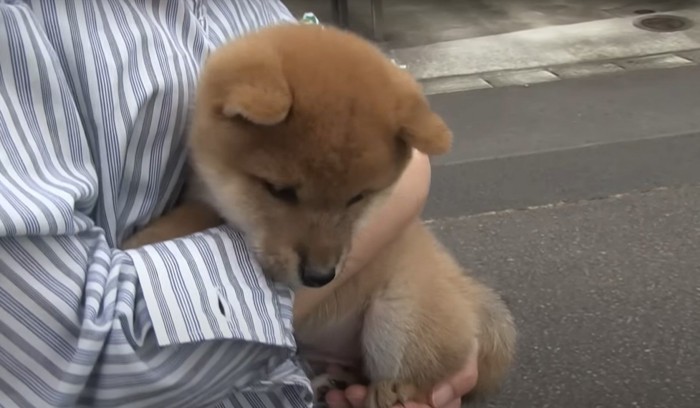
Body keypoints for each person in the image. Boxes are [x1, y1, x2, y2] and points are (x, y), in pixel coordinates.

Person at [0, 1, 477, 407]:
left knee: (402, 336)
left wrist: (442, 351)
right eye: (283, 192)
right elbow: (57, 353)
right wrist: (408, 186)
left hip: (325, 351)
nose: (323, 259)